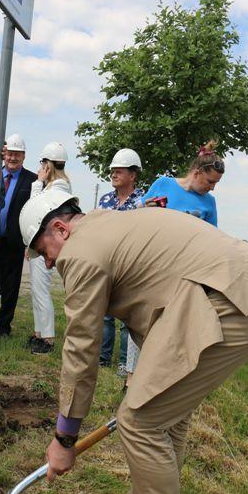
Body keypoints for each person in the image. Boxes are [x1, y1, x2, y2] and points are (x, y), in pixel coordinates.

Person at [19, 190, 248, 494]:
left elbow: (81, 350)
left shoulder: (80, 252)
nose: (47, 262)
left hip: (230, 304)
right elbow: (154, 297)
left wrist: (64, 439)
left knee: (140, 422)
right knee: (165, 415)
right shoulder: (109, 222)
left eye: (43, 251)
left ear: (60, 228)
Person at [98, 148, 144, 379]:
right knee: (105, 313)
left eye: (119, 171)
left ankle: (125, 363)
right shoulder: (105, 200)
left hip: (131, 265)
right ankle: (103, 358)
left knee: (127, 317)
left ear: (133, 175)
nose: (114, 174)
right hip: (107, 260)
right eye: (112, 171)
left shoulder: (142, 202)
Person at [28, 141, 71, 354]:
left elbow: (35, 209)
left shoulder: (58, 186)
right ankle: (39, 333)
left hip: (47, 244)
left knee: (41, 290)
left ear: (48, 164)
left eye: (43, 162)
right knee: (36, 289)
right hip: (42, 242)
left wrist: (38, 183)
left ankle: (47, 338)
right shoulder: (55, 185)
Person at [0, 134, 37, 337]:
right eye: (10, 154)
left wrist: (30, 243)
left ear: (24, 156)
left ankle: (3, 327)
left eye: (17, 155)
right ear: (4, 155)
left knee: (10, 288)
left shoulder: (32, 181)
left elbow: (34, 213)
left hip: (13, 242)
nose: (12, 158)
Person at [143, 141, 224, 225]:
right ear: (196, 173)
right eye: (210, 182)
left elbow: (211, 235)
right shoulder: (163, 183)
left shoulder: (210, 202)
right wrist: (146, 209)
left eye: (216, 183)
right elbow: (137, 212)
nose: (212, 188)